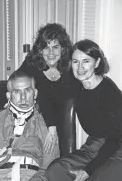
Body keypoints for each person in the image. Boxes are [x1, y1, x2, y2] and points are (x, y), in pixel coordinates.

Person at [46, 39, 122, 181]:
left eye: (86, 61)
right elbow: (50, 95)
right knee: (56, 170)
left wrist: (89, 170)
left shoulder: (110, 94)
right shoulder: (77, 84)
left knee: (95, 177)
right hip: (94, 146)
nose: (80, 67)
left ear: (97, 63)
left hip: (117, 148)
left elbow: (114, 140)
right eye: (75, 61)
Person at [0, 70, 59, 181]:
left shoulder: (45, 125)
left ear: (35, 93)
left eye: (27, 90)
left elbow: (49, 167)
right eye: (17, 92)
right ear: (9, 95)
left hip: (29, 176)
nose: (23, 97)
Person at [18, 23, 77, 155]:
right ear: (40, 50)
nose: (51, 53)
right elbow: (13, 83)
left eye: (55, 47)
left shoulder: (70, 69)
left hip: (60, 126)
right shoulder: (32, 64)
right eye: (46, 47)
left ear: (63, 49)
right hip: (34, 123)